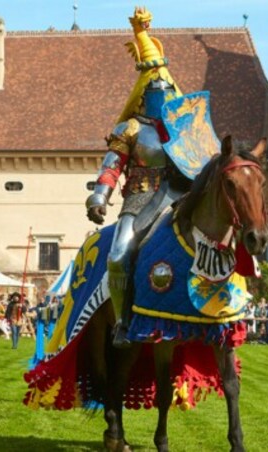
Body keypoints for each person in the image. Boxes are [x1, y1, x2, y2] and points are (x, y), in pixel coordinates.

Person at [85, 8, 192, 349]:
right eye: (155, 87)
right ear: (143, 92)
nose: (162, 91)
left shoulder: (183, 127)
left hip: (180, 198)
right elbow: (112, 166)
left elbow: (199, 161)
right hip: (140, 198)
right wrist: (99, 197)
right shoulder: (129, 129)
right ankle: (122, 322)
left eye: (166, 86)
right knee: (118, 256)